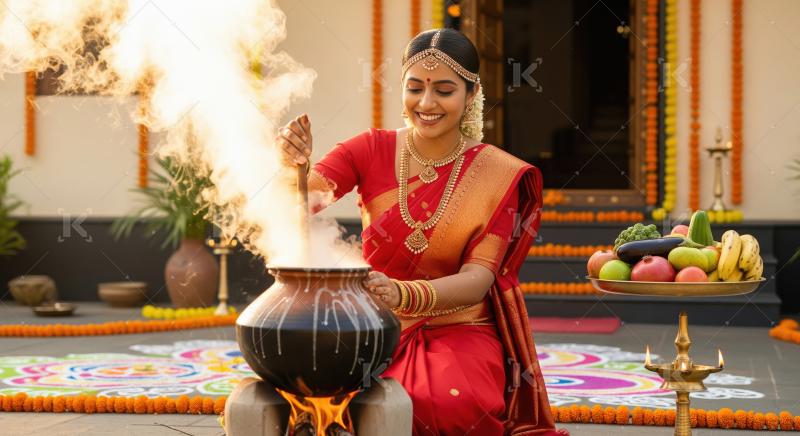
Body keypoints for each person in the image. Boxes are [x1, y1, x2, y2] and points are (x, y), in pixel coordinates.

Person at [278, 28, 565, 436]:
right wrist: (296, 167)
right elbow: (300, 210)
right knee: (300, 390)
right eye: (415, 88)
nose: (426, 104)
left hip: (458, 327)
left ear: (471, 95)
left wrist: (403, 293)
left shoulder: (497, 175)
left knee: (451, 405)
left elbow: (477, 280)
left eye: (444, 91)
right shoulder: (369, 149)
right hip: (374, 325)